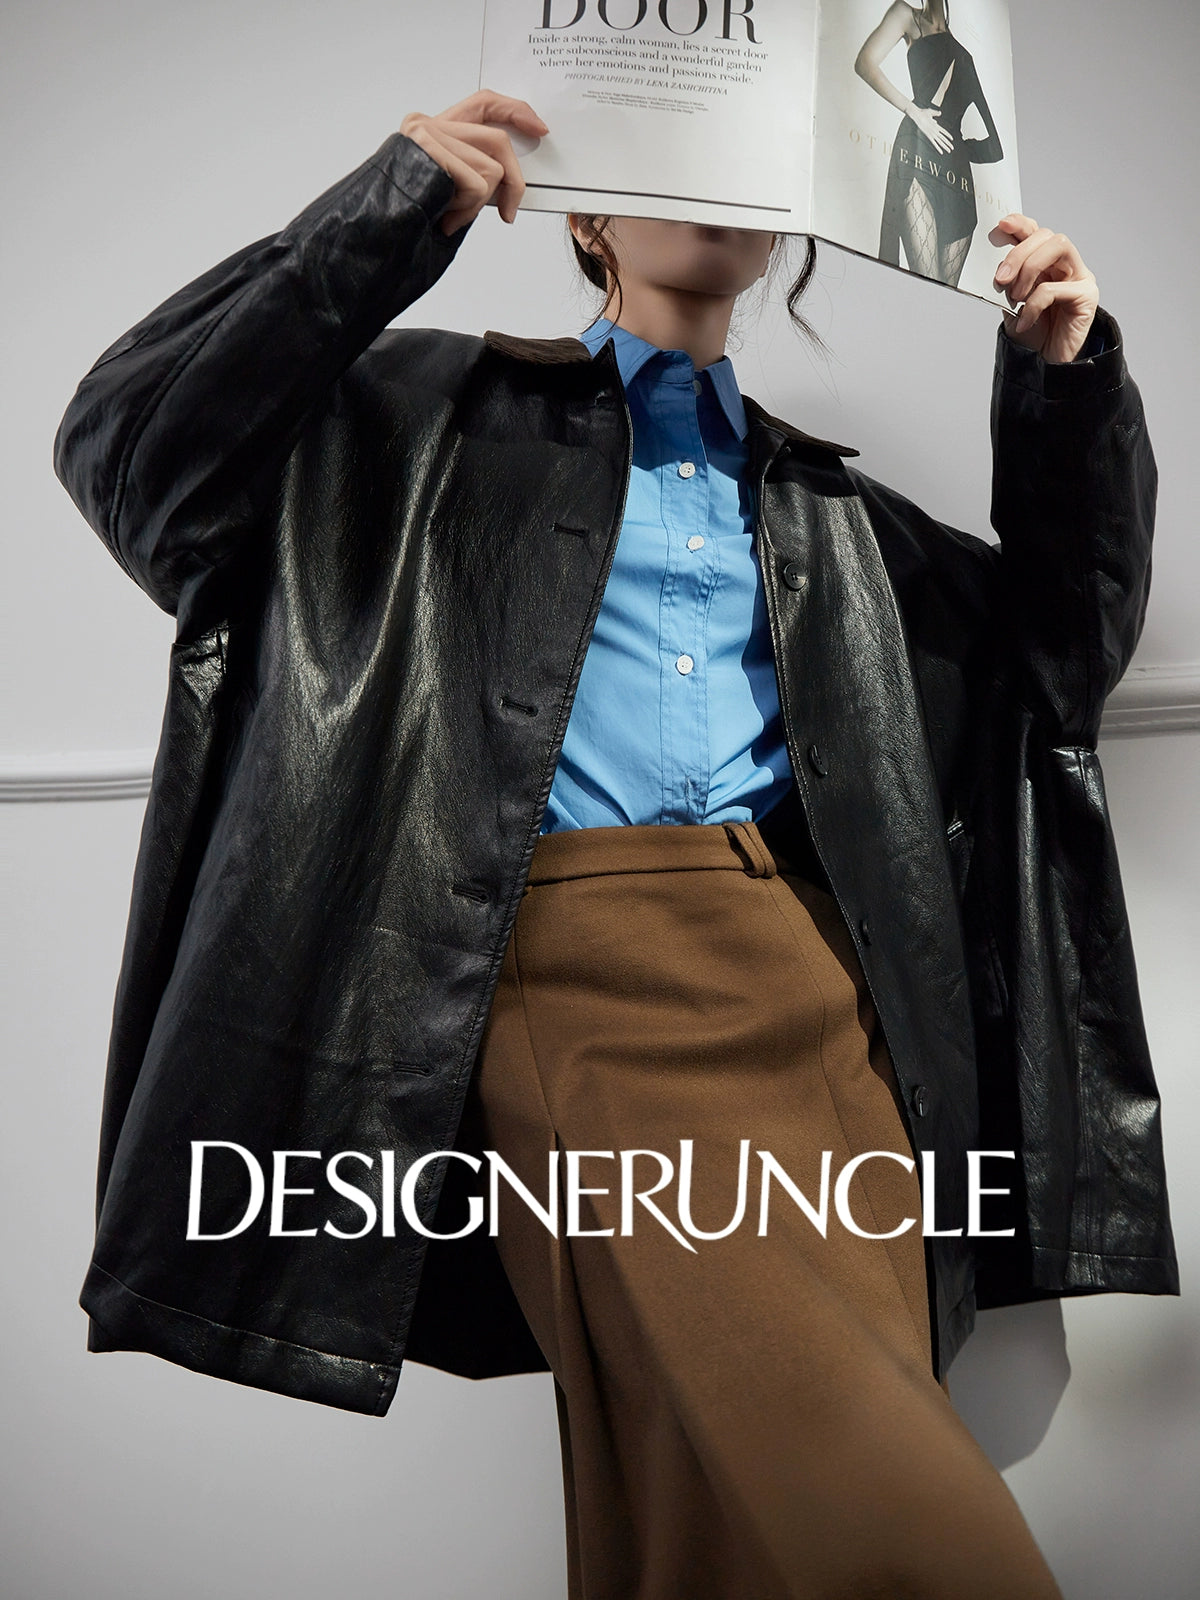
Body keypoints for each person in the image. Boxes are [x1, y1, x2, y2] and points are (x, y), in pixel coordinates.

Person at [53, 88, 1176, 1600]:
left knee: (699, 1510)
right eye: (669, 153)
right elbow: (129, 450)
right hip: (571, 997)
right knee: (890, 1519)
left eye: (747, 168)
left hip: (828, 1024)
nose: (713, 189)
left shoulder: (841, 516)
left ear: (785, 231)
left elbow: (1061, 654)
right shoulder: (411, 426)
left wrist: (1064, 380)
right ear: (586, 210)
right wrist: (389, 212)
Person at [856, 0, 1005, 285]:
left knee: (945, 296)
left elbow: (995, 147)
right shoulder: (907, 14)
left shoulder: (964, 55)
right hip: (917, 157)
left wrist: (958, 146)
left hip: (956, 181)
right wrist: (914, 112)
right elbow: (865, 63)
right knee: (926, 284)